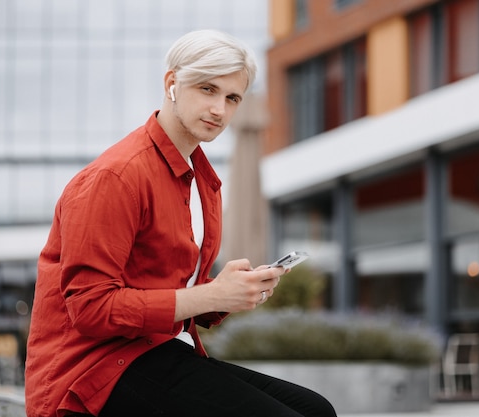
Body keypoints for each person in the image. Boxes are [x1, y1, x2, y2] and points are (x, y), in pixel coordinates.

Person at [24, 29, 337, 417]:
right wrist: (211, 295)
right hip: (94, 371)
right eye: (207, 89)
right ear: (172, 84)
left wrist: (233, 291)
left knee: (316, 409)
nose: (219, 109)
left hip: (158, 351)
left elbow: (165, 288)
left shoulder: (201, 179)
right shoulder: (116, 177)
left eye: (232, 98)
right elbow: (91, 308)